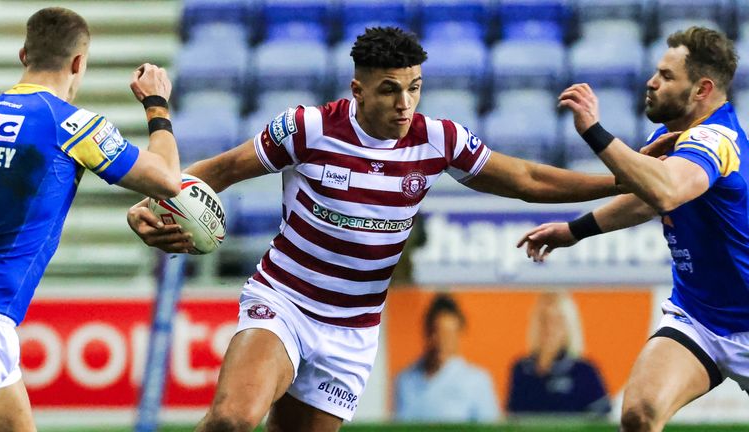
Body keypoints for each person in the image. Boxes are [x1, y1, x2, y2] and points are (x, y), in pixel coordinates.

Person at [127, 27, 675, 432]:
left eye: (414, 87)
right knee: (233, 418)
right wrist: (153, 204)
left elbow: (528, 178)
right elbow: (215, 172)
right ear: (357, 89)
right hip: (285, 302)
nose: (405, 103)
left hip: (352, 330)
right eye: (390, 89)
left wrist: (621, 180)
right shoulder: (305, 128)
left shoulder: (438, 139)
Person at [518, 26, 748, 431]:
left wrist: (594, 130)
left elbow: (666, 191)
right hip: (700, 318)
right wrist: (574, 231)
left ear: (702, 89)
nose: (651, 82)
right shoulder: (667, 135)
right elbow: (645, 199)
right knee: (639, 415)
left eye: (667, 76)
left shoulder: (717, 140)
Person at [0, 7, 181, 431]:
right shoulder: (72, 124)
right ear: (78, 63)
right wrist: (157, 105)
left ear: (23, 56)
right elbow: (167, 180)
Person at [393, 294, 499, 423]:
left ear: (458, 335)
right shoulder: (405, 380)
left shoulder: (477, 381)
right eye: (437, 333)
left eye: (448, 335)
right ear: (427, 332)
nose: (441, 342)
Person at [507, 291, 610, 416]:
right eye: (544, 319)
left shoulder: (585, 371)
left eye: (557, 321)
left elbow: (602, 420)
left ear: (569, 326)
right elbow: (512, 420)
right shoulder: (521, 369)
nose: (550, 328)